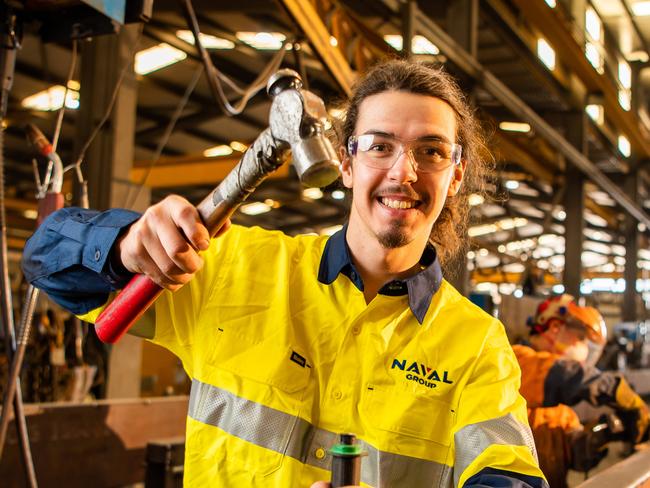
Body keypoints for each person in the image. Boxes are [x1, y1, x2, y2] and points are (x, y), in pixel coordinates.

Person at [22, 60, 547, 487]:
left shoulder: (478, 345)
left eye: (430, 152)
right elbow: (45, 260)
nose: (402, 172)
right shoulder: (233, 267)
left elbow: (509, 477)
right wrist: (122, 247)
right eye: (380, 145)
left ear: (455, 175)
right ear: (346, 162)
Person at [513, 294, 650, 488]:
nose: (586, 350)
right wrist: (613, 388)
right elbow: (562, 376)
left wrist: (603, 435)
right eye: (582, 339)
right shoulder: (515, 361)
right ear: (554, 328)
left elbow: (568, 457)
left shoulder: (562, 409)